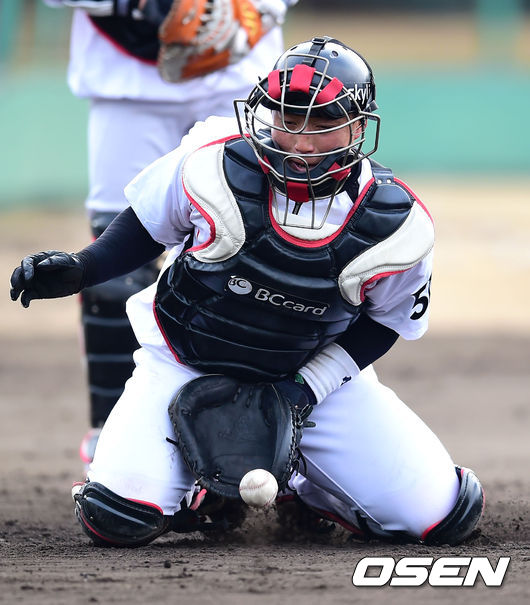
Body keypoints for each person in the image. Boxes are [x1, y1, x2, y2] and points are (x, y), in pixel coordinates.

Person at [10, 36, 484, 547]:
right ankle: (202, 490)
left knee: (440, 516)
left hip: (308, 380)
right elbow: (148, 225)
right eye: (288, 118)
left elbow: (386, 323)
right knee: (117, 516)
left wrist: (303, 391)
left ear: (357, 127)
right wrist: (83, 268)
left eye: (322, 123)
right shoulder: (213, 162)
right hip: (185, 361)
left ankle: (307, 488)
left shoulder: (396, 225)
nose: (300, 142)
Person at [42, 0, 298, 467]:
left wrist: (261, 7)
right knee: (116, 273)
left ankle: (264, 438)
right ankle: (114, 443)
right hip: (128, 83)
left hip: (243, 76)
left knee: (260, 256)